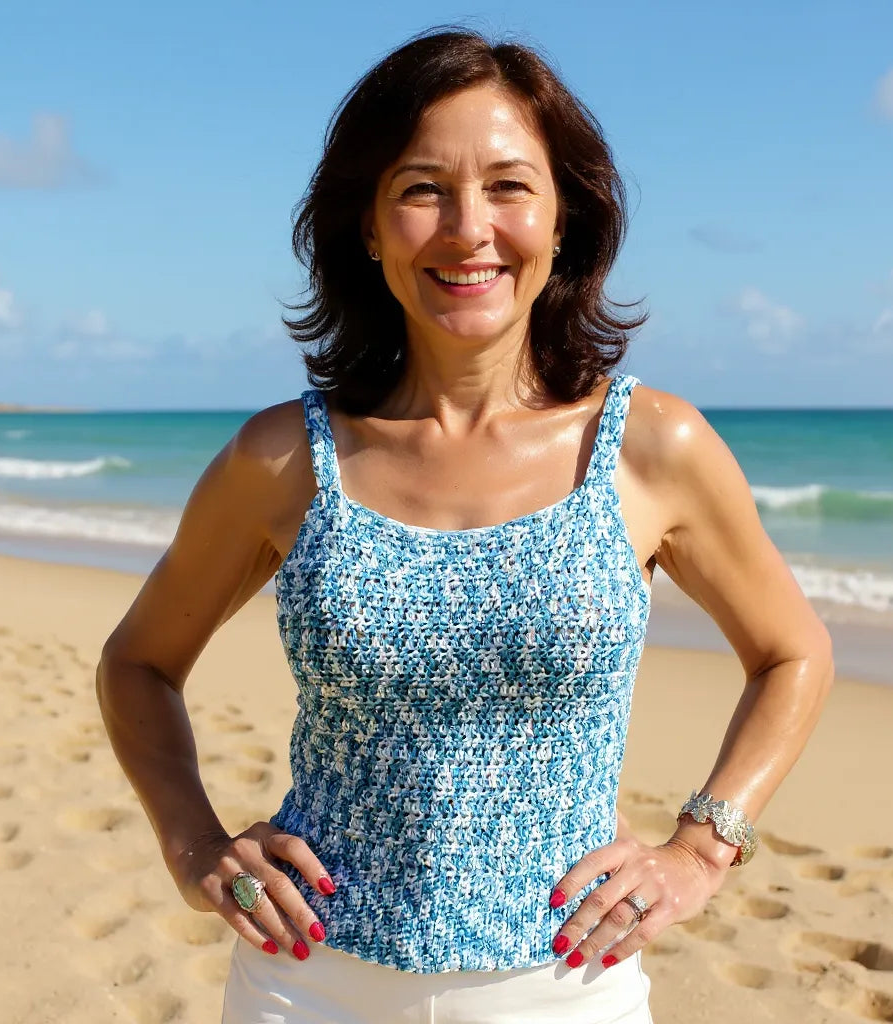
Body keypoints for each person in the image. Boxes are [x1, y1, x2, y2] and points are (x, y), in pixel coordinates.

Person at [97, 26, 834, 1024]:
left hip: (565, 988)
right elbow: (138, 663)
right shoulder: (282, 459)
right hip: (304, 984)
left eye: (508, 186)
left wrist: (703, 848)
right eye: (421, 189)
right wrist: (192, 844)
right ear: (368, 225)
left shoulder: (650, 446)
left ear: (565, 218)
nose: (467, 227)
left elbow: (793, 652)